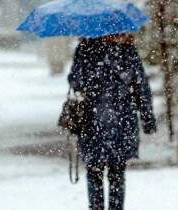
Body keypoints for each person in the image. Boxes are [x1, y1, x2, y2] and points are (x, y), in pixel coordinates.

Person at [68, 33, 157, 210]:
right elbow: (141, 87)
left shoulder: (85, 49)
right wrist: (147, 118)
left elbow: (75, 81)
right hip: (122, 119)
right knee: (117, 172)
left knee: (94, 171)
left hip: (92, 119)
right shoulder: (127, 50)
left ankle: (97, 207)